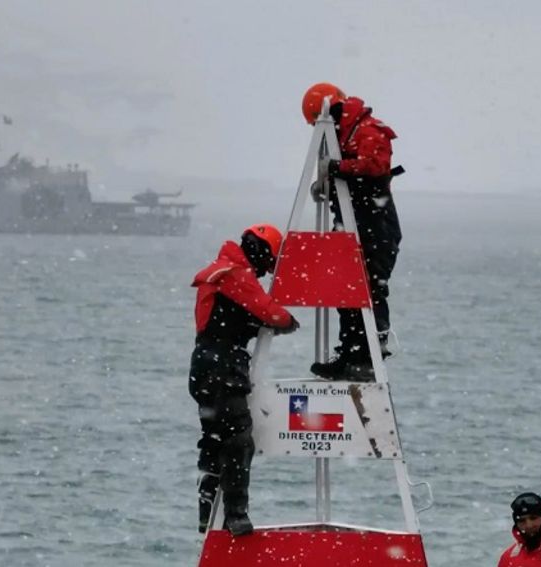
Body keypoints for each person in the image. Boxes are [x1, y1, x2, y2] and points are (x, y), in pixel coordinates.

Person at [190, 224, 299, 537]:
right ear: (261, 251)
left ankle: (207, 509)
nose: (266, 272)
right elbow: (270, 312)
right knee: (238, 438)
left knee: (213, 440)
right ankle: (236, 515)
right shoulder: (236, 275)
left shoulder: (221, 272)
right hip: (224, 367)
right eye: (268, 264)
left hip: (204, 365)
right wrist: (288, 322)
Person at [302, 82, 403, 382]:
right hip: (352, 225)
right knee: (345, 289)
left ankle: (369, 353)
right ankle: (350, 353)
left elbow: (373, 165)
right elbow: (352, 172)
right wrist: (327, 180)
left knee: (370, 288)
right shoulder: (346, 136)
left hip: (375, 226)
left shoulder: (370, 131)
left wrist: (336, 169)